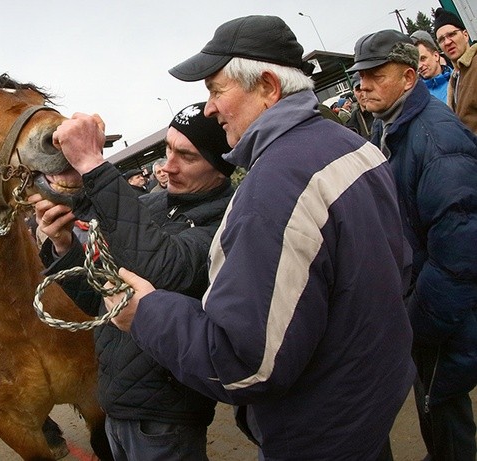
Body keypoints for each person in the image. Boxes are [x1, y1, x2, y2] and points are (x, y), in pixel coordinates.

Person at [96, 15, 416, 460]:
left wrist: (145, 314)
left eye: (215, 90)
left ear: (267, 86)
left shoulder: (275, 187)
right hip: (366, 401)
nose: (209, 108)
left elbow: (246, 364)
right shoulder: (350, 144)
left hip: (320, 432)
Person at [35, 101, 235, 460]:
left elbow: (162, 267)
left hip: (165, 418)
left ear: (221, 166)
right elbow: (99, 301)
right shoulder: (154, 206)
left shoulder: (224, 223)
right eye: (168, 149)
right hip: (116, 405)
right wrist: (63, 243)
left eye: (186, 157)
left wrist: (93, 165)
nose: (167, 166)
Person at [349, 29, 477, 460]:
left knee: (442, 406)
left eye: (374, 75)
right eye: (359, 76)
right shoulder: (391, 129)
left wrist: (421, 322)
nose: (362, 85)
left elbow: (459, 252)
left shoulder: (437, 139)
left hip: (437, 310)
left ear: (408, 77)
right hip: (421, 302)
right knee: (436, 405)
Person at [434, 7, 477, 132]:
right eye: (441, 39)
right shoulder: (455, 76)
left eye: (452, 34)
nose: (447, 42)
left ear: (465, 34)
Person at [411, 32, 452, 102]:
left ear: (436, 56)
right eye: (416, 62)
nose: (419, 66)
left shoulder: (459, 80)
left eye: (423, 59)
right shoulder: (416, 96)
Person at [345, 73, 374, 139]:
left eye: (367, 88)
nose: (364, 93)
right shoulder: (352, 125)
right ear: (353, 93)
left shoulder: (388, 112)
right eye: (359, 89)